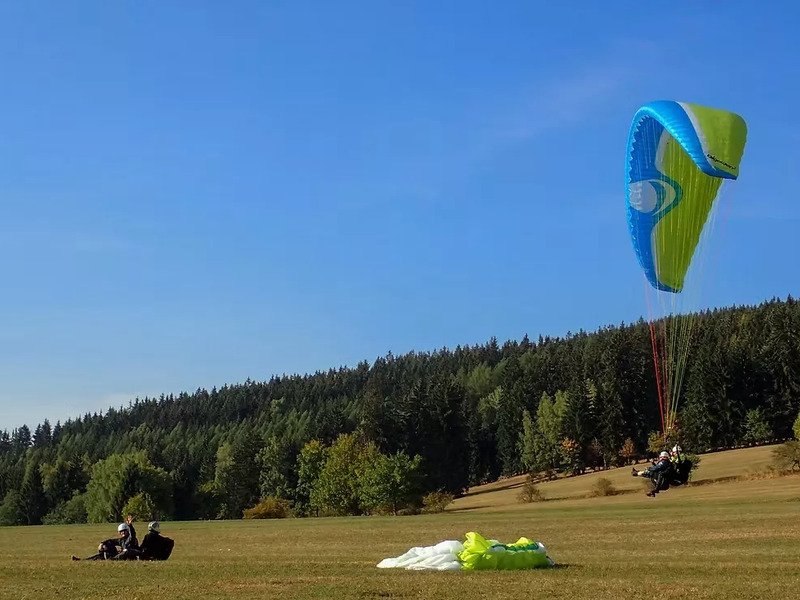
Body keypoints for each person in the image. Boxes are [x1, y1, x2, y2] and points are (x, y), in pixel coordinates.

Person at [71, 516, 140, 561]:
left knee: (126, 550)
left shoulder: (131, 538)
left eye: (124, 531)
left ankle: (112, 559)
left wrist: (130, 526)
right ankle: (82, 560)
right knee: (103, 551)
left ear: (128, 531)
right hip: (122, 556)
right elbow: (111, 541)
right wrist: (102, 543)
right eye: (121, 531)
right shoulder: (121, 540)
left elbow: (133, 535)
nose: (123, 533)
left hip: (131, 556)